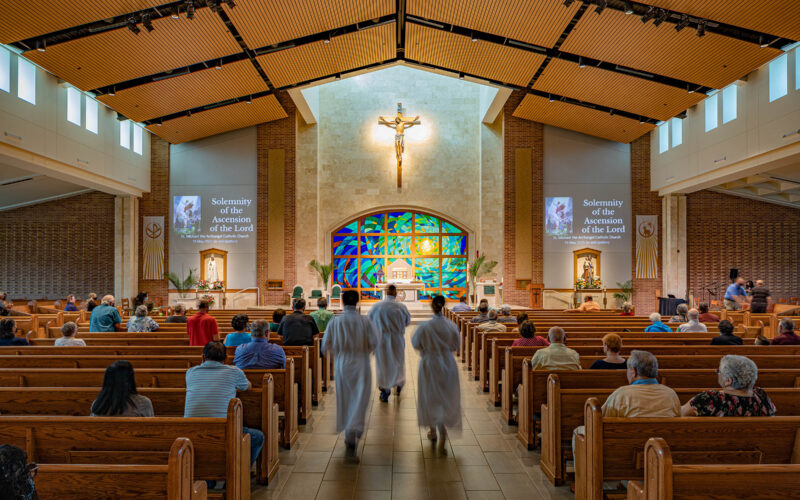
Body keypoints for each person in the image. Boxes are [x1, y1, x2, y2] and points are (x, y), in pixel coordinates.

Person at [185, 341, 264, 480]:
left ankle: (207, 476)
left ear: (202, 357)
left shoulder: (190, 372)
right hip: (223, 430)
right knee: (257, 437)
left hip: (192, 430)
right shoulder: (234, 372)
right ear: (226, 359)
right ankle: (240, 473)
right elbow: (248, 387)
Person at [323, 291, 378, 461]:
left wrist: (337, 354)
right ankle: (355, 431)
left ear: (341, 301)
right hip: (361, 363)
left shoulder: (335, 321)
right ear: (358, 302)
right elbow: (375, 342)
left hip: (342, 363)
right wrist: (364, 351)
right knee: (360, 398)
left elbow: (325, 346)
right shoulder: (365, 321)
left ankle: (349, 433)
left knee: (345, 398)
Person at [412, 295, 461, 456]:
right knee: (445, 395)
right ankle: (443, 430)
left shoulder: (425, 326)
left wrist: (428, 349)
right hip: (447, 363)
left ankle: (433, 430)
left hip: (429, 363)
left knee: (430, 396)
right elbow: (456, 345)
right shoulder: (451, 325)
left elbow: (415, 343)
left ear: (432, 307)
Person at [682, 355, 775, 417]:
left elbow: (680, 413)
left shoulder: (708, 399)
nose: (718, 374)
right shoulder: (761, 396)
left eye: (719, 372)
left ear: (728, 381)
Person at [600, 350, 680, 416]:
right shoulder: (671, 394)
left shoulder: (620, 395)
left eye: (628, 369)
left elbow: (599, 419)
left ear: (634, 371)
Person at [368, 284, 411, 402]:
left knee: (383, 364)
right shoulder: (401, 307)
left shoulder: (377, 306)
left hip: (381, 338)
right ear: (396, 293)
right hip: (397, 338)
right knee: (398, 362)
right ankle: (398, 384)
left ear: (385, 293)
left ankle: (385, 391)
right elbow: (407, 322)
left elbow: (370, 321)